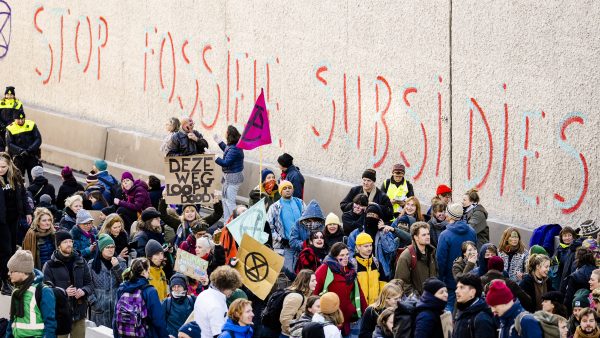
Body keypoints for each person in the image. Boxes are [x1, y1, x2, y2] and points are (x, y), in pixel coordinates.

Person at [43, 230, 92, 338]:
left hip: (79, 313)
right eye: (65, 242)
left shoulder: (81, 261)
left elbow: (89, 284)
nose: (69, 244)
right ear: (58, 245)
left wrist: (83, 291)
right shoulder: (49, 265)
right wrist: (64, 292)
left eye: (70, 241)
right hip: (60, 314)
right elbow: (46, 291)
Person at [314, 242, 367, 336]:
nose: (346, 257)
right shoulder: (325, 268)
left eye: (347, 254)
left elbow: (359, 293)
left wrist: (366, 312)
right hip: (331, 319)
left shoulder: (350, 270)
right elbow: (314, 291)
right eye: (342, 255)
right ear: (334, 256)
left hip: (348, 319)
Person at [0, 152, 33, 295]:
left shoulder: (15, 175)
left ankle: (8, 279)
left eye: (3, 167)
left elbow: (23, 194)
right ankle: (5, 281)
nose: (0, 169)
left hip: (14, 218)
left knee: (12, 249)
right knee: (6, 251)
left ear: (9, 165)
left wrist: (28, 211)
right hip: (1, 220)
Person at [6, 250, 57, 338]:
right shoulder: (16, 291)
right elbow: (12, 321)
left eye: (12, 271)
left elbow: (50, 324)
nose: (8, 274)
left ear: (22, 271)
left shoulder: (43, 291)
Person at [113, 257, 169, 338]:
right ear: (144, 272)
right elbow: (158, 320)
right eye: (148, 269)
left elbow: (115, 317)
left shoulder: (122, 288)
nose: (149, 271)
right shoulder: (150, 291)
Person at [436, 202, 476, 311]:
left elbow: (440, 260)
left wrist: (439, 281)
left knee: (449, 310)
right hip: (468, 279)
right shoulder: (472, 231)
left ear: (449, 216)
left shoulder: (445, 235)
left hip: (450, 281)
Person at [347, 203, 401, 281]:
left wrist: (382, 231)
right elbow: (350, 252)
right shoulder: (356, 233)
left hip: (382, 273)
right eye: (369, 214)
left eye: (374, 215)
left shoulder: (385, 232)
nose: (371, 217)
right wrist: (355, 265)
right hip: (360, 273)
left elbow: (390, 249)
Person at [88, 234, 127, 327]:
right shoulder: (91, 264)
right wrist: (94, 302)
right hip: (99, 308)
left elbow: (125, 284)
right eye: (107, 247)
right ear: (101, 249)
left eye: (112, 247)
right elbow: (88, 285)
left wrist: (117, 267)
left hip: (117, 306)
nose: (111, 249)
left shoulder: (121, 262)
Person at [194, 265, 243, 338]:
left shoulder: (203, 294)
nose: (233, 292)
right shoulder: (217, 306)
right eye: (232, 289)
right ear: (225, 287)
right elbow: (219, 335)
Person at [267, 180, 305, 272]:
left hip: (300, 244)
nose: (287, 190)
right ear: (280, 191)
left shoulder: (300, 203)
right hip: (285, 245)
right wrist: (281, 239)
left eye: (289, 188)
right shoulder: (274, 207)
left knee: (301, 271)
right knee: (288, 272)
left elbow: (307, 221)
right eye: (284, 188)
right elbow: (269, 227)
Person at [395, 222, 438, 297]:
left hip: (430, 298)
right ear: (415, 237)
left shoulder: (431, 252)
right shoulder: (406, 256)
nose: (428, 237)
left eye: (428, 234)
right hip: (415, 302)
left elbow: (435, 274)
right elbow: (402, 282)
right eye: (424, 235)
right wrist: (417, 298)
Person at [214, 125, 245, 222]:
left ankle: (236, 221)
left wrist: (215, 158)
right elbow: (227, 149)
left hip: (233, 178)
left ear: (229, 134)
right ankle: (227, 222)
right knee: (224, 200)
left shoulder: (235, 149)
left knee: (229, 202)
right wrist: (219, 142)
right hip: (229, 177)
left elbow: (226, 162)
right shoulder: (234, 146)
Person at [452, 274, 496, 338]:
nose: (456, 291)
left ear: (472, 292)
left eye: (461, 287)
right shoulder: (463, 309)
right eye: (457, 287)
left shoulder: (481, 319)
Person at [6, 110, 42, 182]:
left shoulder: (31, 125)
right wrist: (20, 151)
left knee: (34, 177)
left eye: (22, 119)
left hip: (31, 155)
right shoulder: (10, 128)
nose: (21, 121)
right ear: (14, 119)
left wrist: (30, 149)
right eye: (18, 119)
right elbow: (9, 144)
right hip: (19, 157)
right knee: (19, 179)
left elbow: (38, 139)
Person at [280, 269, 317, 337]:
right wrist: (297, 333)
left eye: (315, 280)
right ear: (305, 282)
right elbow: (285, 320)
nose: (316, 283)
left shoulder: (306, 294)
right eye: (313, 281)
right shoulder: (296, 297)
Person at [352, 233, 386, 306]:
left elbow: (383, 283)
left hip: (376, 306)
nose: (369, 248)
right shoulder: (353, 265)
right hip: (359, 307)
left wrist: (381, 303)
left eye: (370, 245)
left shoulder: (376, 263)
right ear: (358, 247)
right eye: (366, 246)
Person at [163, 273, 196, 337]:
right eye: (173, 286)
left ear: (184, 287)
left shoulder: (192, 300)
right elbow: (160, 322)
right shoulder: (166, 302)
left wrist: (205, 285)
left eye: (179, 286)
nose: (176, 289)